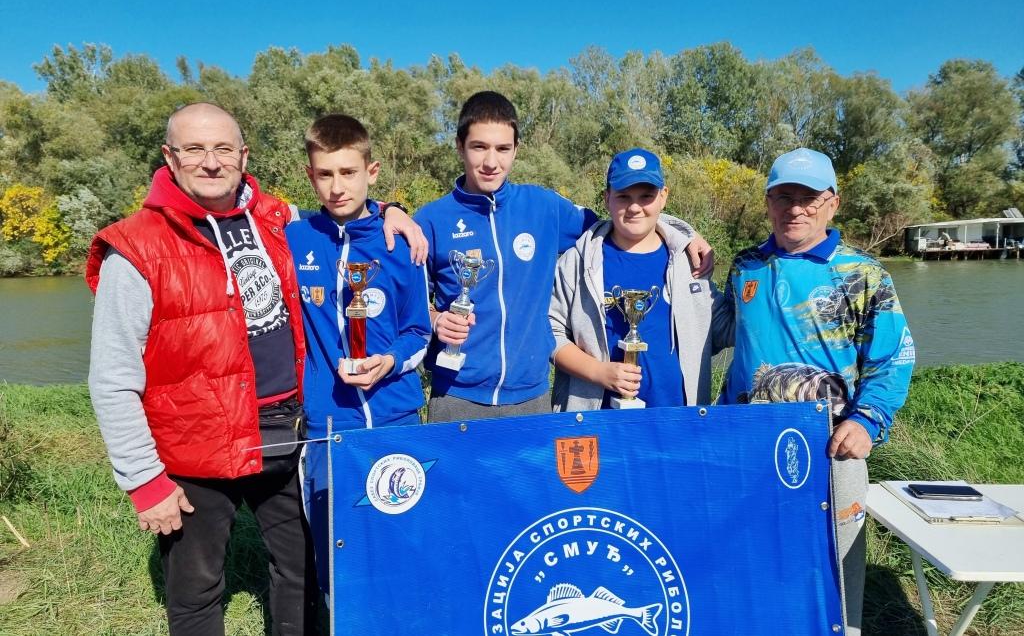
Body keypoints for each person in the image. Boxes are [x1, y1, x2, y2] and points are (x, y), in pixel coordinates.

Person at [85, 102, 425, 635]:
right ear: (169, 157)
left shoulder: (276, 219)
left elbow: (345, 207)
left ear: (243, 156)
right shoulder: (135, 248)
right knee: (197, 589)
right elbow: (112, 378)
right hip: (197, 443)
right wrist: (144, 480)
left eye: (222, 148)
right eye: (194, 149)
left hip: (287, 435)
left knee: (302, 569)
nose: (211, 162)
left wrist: (392, 210)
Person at [414, 91, 712, 422]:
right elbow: (407, 306)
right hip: (456, 394)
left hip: (530, 398)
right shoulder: (430, 221)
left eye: (503, 149)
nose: (491, 162)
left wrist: (682, 234)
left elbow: (623, 219)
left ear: (516, 149)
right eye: (479, 147)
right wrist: (437, 319)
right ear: (459, 146)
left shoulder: (544, 207)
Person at [718, 147, 915, 635]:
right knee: (753, 558)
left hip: (832, 446)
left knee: (835, 570)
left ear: (832, 204)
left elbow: (894, 357)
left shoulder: (865, 274)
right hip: (746, 444)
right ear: (768, 203)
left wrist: (867, 420)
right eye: (783, 197)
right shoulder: (745, 266)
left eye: (808, 198)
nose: (796, 209)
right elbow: (715, 329)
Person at [285, 114, 431, 594]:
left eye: (348, 172)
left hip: (397, 418)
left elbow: (419, 331)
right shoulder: (294, 239)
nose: (337, 187)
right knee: (336, 551)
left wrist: (389, 362)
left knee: (403, 541)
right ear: (309, 175)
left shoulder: (401, 242)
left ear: (372, 171)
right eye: (324, 174)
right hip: (330, 424)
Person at [549, 148, 733, 411]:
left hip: (676, 421)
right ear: (607, 198)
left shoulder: (689, 262)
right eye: (623, 196)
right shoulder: (578, 261)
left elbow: (722, 328)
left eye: (646, 196)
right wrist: (598, 372)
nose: (635, 207)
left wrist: (758, 279)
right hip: (595, 422)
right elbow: (549, 333)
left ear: (663, 197)